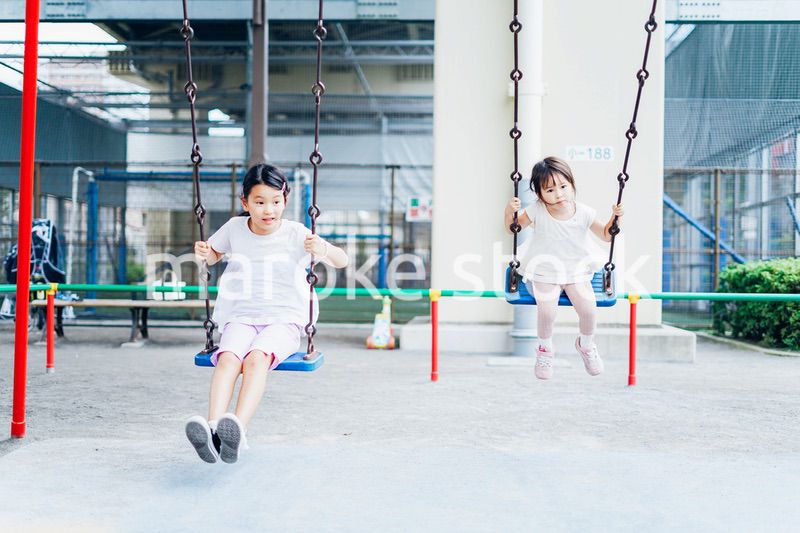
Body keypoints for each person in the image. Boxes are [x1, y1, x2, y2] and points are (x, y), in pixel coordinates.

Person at [185, 163, 349, 463]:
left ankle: (236, 430)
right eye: (259, 202)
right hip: (241, 316)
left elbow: (341, 260)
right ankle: (212, 431)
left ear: (285, 200)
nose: (268, 210)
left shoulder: (297, 232)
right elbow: (216, 253)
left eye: (275, 201)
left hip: (283, 321)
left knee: (256, 359)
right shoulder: (235, 227)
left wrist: (322, 248)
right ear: (245, 202)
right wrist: (206, 253)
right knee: (228, 359)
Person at [504, 156, 624, 380]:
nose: (558, 194)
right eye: (549, 190)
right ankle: (545, 349)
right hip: (544, 271)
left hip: (576, 270)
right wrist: (508, 211)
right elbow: (513, 229)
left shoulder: (584, 212)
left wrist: (614, 220)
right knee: (547, 311)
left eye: (563, 186)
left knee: (589, 309)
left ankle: (586, 345)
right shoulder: (536, 210)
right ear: (539, 194)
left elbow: (606, 235)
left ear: (572, 184)